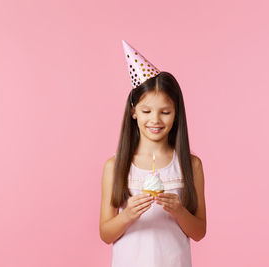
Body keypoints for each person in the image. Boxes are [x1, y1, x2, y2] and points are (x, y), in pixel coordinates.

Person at [99, 40, 206, 267]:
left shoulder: (190, 165)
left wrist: (178, 211)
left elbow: (199, 232)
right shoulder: (115, 166)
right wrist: (128, 215)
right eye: (146, 111)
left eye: (165, 112)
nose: (155, 120)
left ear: (176, 114)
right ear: (133, 112)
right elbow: (106, 234)